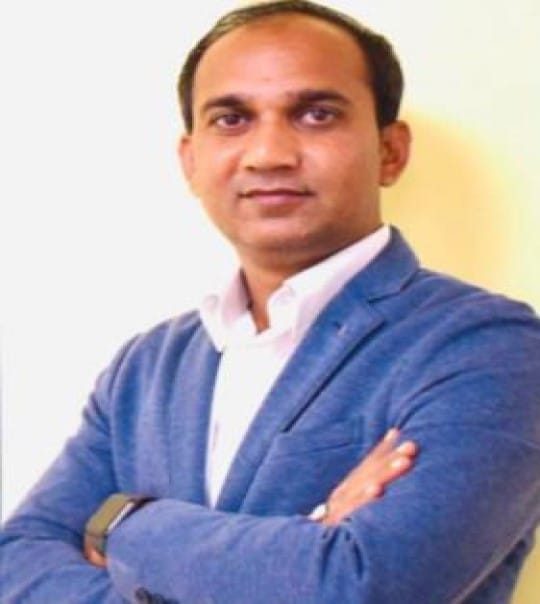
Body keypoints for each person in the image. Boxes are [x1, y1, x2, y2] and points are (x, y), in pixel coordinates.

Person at [2, 1, 540, 602]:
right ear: (191, 161)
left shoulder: (489, 348)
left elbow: (362, 587)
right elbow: (17, 562)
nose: (269, 153)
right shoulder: (146, 368)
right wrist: (309, 539)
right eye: (231, 119)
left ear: (390, 151)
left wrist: (124, 523)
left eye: (316, 114)